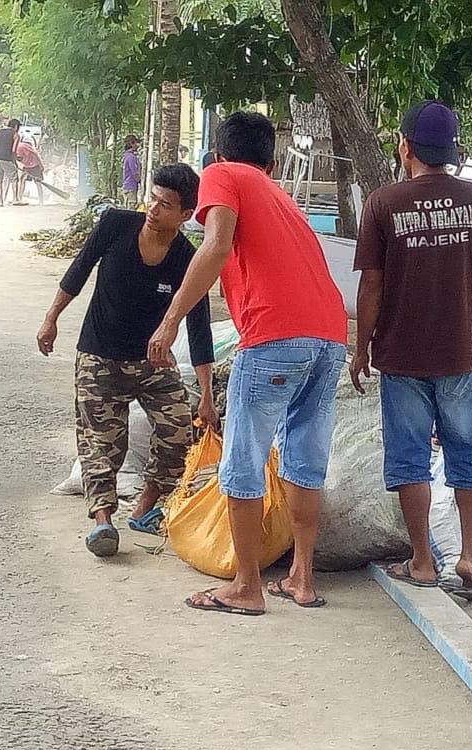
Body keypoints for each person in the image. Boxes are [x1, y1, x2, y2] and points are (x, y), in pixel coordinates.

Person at [147, 112, 348, 616]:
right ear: (272, 163)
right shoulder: (282, 198)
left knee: (243, 458)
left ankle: (247, 586)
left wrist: (170, 321)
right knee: (304, 456)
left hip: (274, 335)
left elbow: (215, 245)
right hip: (329, 336)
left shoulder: (223, 174)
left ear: (218, 155)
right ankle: (302, 578)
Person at [351, 100, 472, 602]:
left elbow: (371, 286)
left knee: (410, 458)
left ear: (406, 148)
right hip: (460, 356)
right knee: (467, 453)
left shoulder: (383, 203)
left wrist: (361, 348)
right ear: (452, 151)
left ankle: (421, 560)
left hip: (401, 354)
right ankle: (470, 557)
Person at [37, 164, 218, 557]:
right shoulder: (116, 224)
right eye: (152, 198)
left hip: (152, 364)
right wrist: (51, 318)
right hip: (98, 356)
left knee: (178, 430)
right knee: (101, 443)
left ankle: (144, 507)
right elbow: (79, 270)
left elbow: (199, 327)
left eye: (165, 204)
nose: (153, 208)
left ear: (186, 215)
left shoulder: (188, 259)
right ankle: (103, 523)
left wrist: (206, 394)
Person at [0, 118, 20, 206]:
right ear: (16, 126)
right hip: (6, 158)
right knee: (14, 178)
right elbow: (13, 151)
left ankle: (0, 201)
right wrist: (15, 161)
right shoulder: (15, 134)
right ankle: (15, 199)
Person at [15, 136, 45, 206]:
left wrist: (20, 166)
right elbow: (36, 155)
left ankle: (20, 198)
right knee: (38, 183)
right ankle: (41, 201)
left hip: (28, 167)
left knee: (23, 181)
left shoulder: (20, 146)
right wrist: (41, 166)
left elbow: (18, 158)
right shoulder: (26, 146)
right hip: (33, 166)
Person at [122, 135, 141, 208]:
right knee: (131, 209)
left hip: (128, 186)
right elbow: (134, 173)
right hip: (131, 187)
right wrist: (141, 182)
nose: (137, 145)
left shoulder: (126, 156)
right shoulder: (131, 157)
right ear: (131, 143)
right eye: (135, 143)